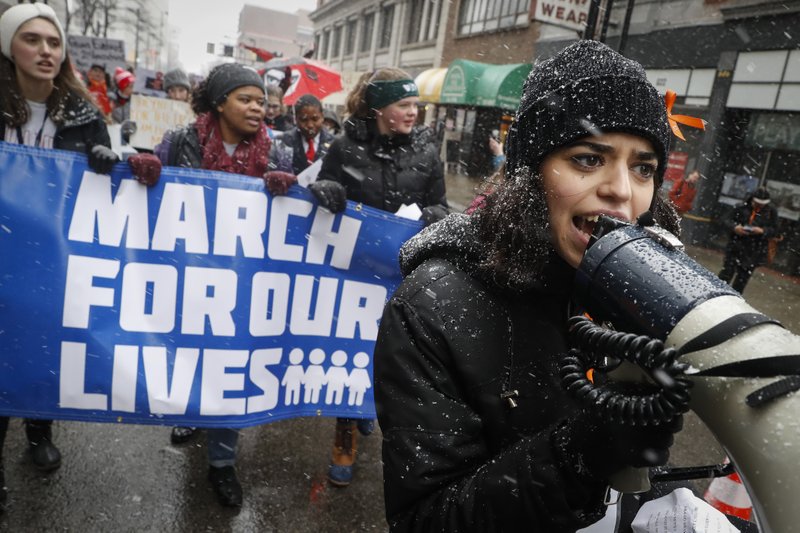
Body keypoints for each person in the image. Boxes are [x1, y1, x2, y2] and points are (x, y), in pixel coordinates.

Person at [373, 40, 686, 531]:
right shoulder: (432, 306)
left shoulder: (644, 290)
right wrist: (580, 453)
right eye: (588, 159)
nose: (622, 190)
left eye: (643, 167)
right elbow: (426, 520)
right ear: (529, 173)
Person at [0, 1, 159, 510]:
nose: (45, 50)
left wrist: (104, 161)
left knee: (40, 345)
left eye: (53, 42)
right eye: (31, 39)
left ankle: (38, 431)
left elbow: (105, 188)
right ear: (8, 46)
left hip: (52, 255)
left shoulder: (84, 114)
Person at [267, 67, 449, 488]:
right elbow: (325, 184)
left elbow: (439, 206)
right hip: (352, 277)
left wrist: (432, 215)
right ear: (380, 108)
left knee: (392, 358)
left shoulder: (425, 153)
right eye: (404, 105)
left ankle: (369, 409)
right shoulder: (345, 148)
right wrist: (327, 191)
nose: (413, 113)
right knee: (350, 354)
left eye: (415, 105)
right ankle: (344, 437)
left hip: (402, 275)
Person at [161, 62, 292, 507]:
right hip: (188, 274)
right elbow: (146, 186)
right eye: (247, 99)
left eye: (261, 101)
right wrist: (141, 169)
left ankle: (222, 463)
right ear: (220, 103)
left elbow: (300, 209)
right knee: (191, 353)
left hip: (245, 282)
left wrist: (300, 191)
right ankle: (190, 412)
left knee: (232, 364)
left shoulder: (277, 154)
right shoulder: (181, 142)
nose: (259, 108)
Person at [718, 186, 778, 294]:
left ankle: (733, 300)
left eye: (762, 203)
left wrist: (762, 230)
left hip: (754, 251)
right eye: (757, 202)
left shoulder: (771, 212)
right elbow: (725, 219)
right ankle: (717, 295)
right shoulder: (741, 207)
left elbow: (775, 230)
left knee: (741, 281)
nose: (760, 205)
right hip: (736, 246)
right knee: (725, 274)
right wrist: (735, 227)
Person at [270, 94, 334, 175]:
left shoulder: (333, 144)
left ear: (322, 117)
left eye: (315, 119)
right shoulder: (282, 141)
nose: (310, 125)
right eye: (304, 119)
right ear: (296, 119)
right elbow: (271, 168)